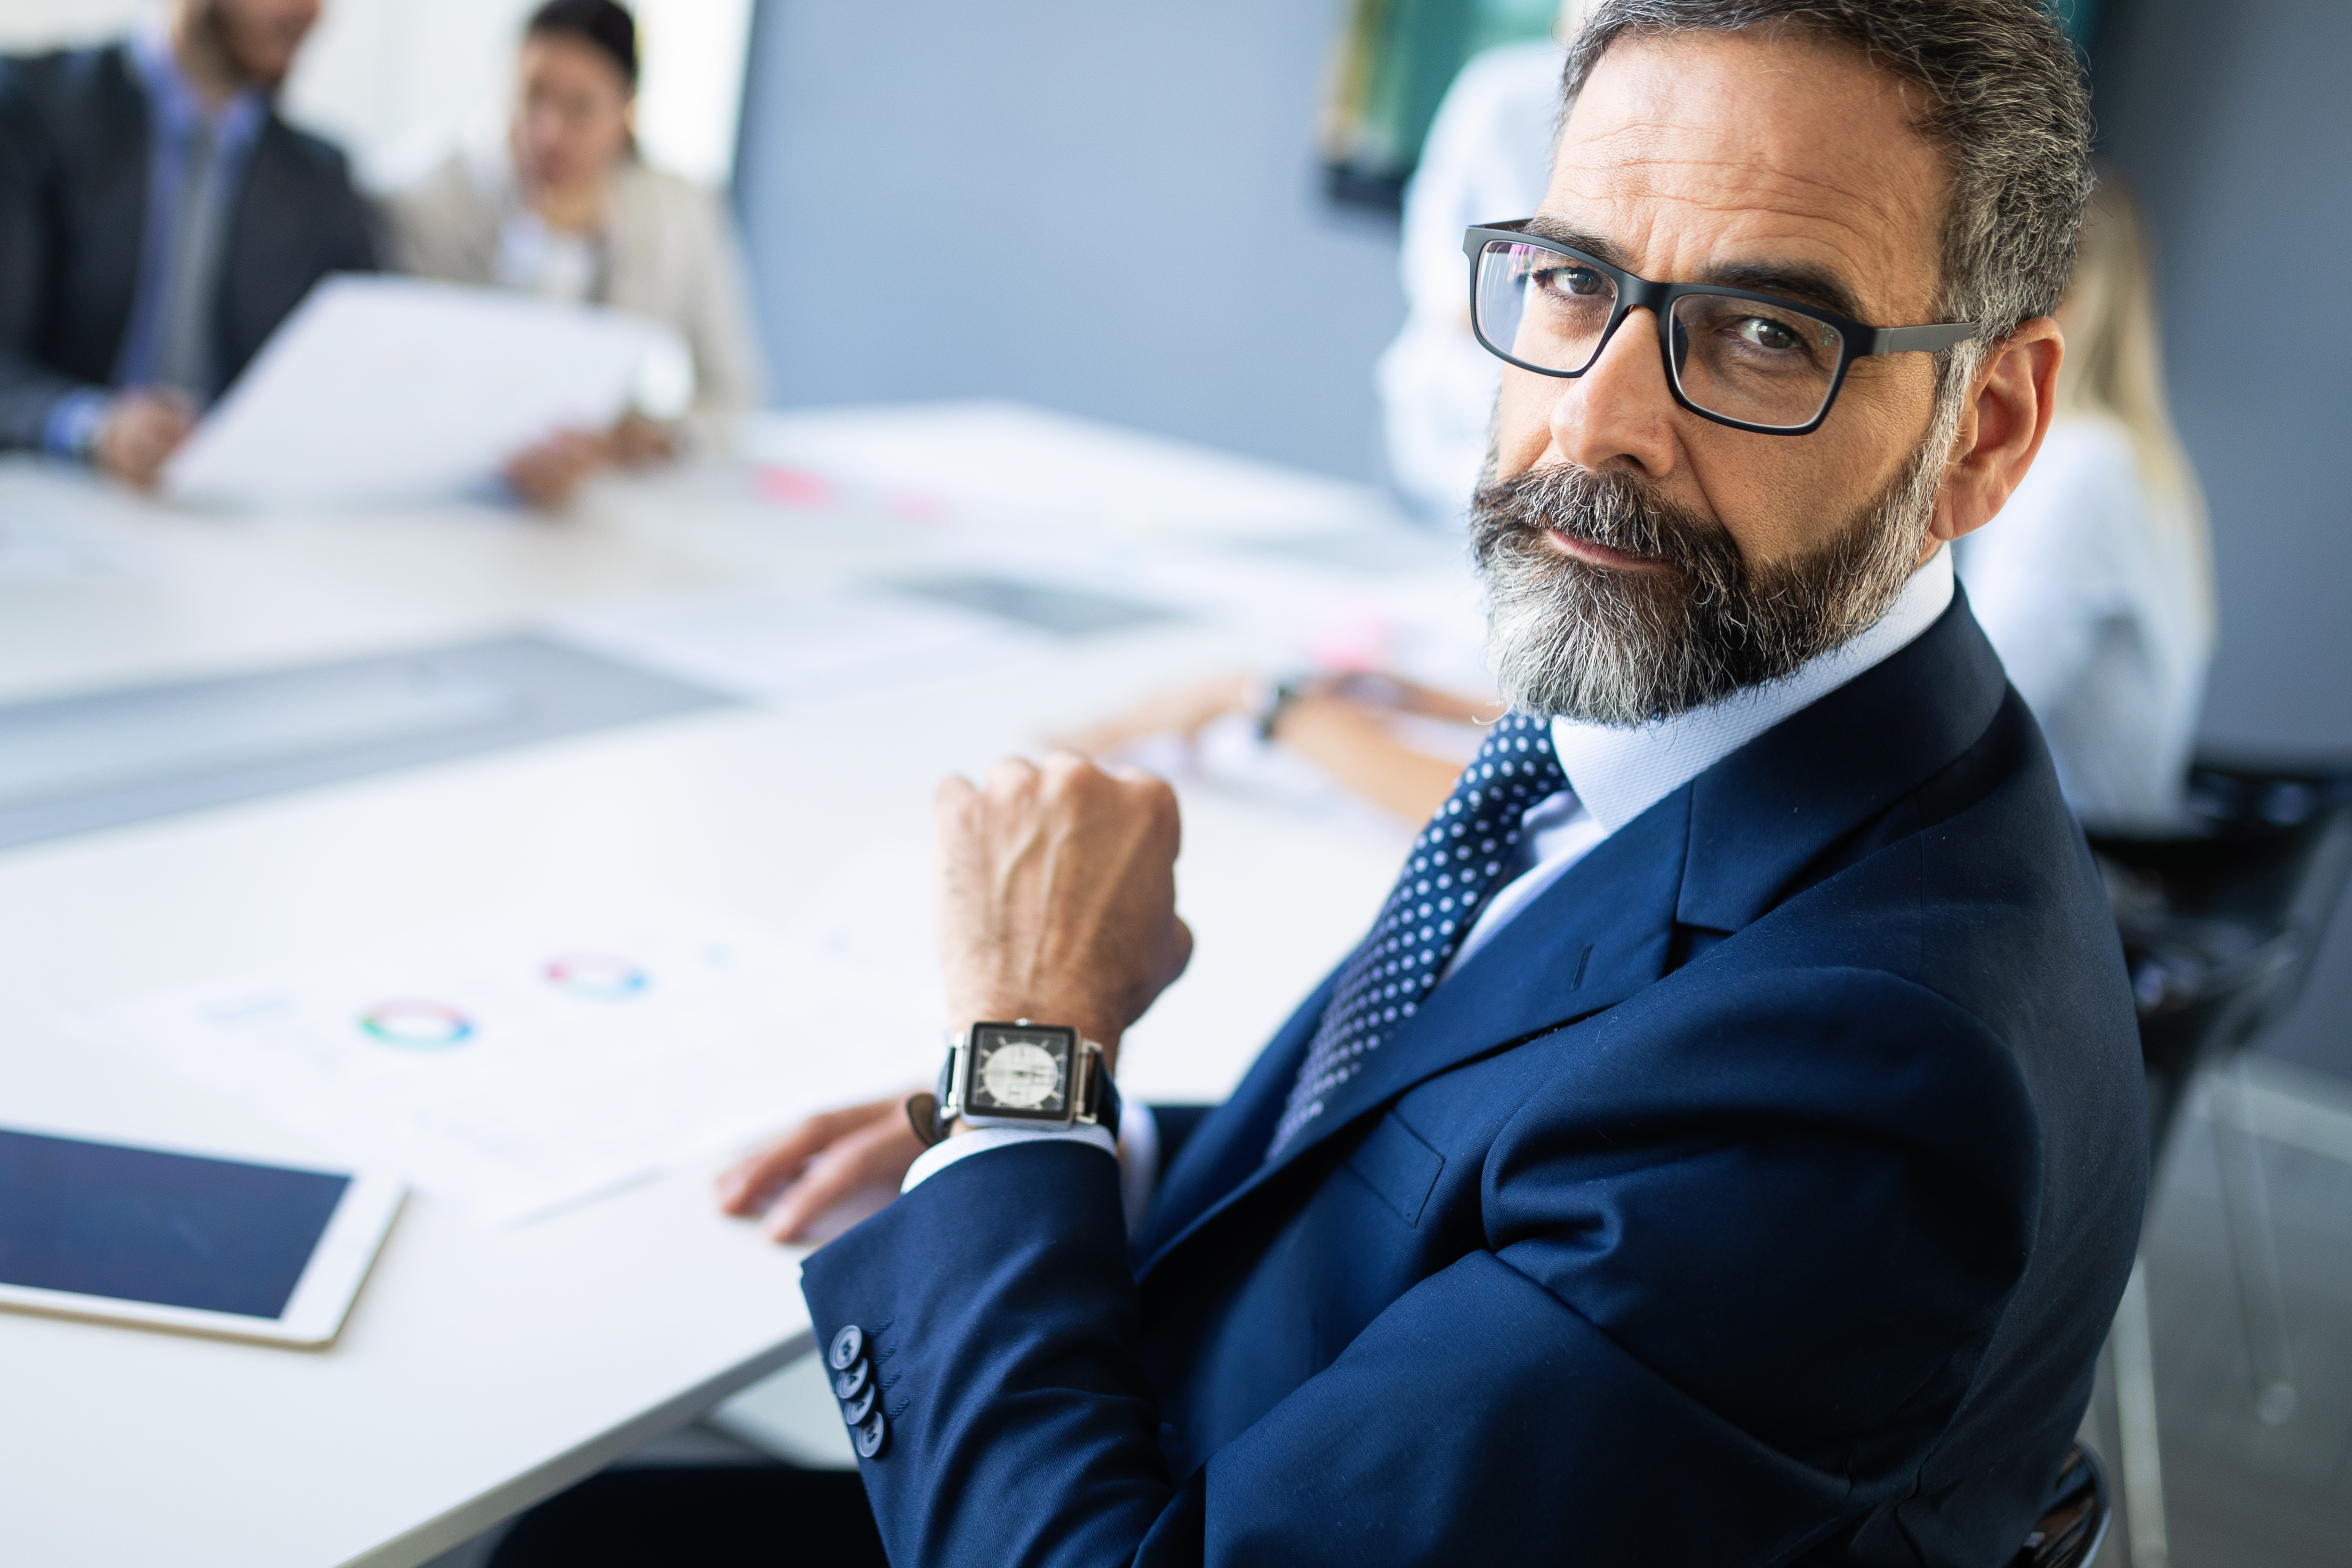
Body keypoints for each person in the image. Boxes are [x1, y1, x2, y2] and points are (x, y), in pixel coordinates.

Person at [498, 1, 2149, 1562]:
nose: (1598, 419)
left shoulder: (1871, 1086)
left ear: (1988, 429)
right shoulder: (1717, 752)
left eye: (1767, 333)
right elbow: (1486, 1166)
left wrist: (1028, 1059)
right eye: (1573, 280)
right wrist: (1107, 1149)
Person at [383, 0, 765, 510]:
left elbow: (735, 391)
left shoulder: (681, 209)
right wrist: (542, 246)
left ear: (627, 113)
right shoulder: (422, 198)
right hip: (452, 497)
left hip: (606, 501)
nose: (548, 133)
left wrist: (654, 440)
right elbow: (432, 389)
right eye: (531, 97)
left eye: (581, 109)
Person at [0, 0, 375, 489]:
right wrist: (93, 427)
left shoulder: (320, 174)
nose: (309, 12)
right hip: (55, 486)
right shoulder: (30, 108)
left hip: (236, 507)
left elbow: (365, 370)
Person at [1955, 170, 2215, 828]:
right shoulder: (2137, 456)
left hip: (2070, 851)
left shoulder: (2084, 469)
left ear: (2057, 305)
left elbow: (1972, 707)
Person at [1376, 2, 1589, 525]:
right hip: (1455, 372)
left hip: (1556, 378)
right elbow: (1433, 208)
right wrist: (1464, 305)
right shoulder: (1501, 88)